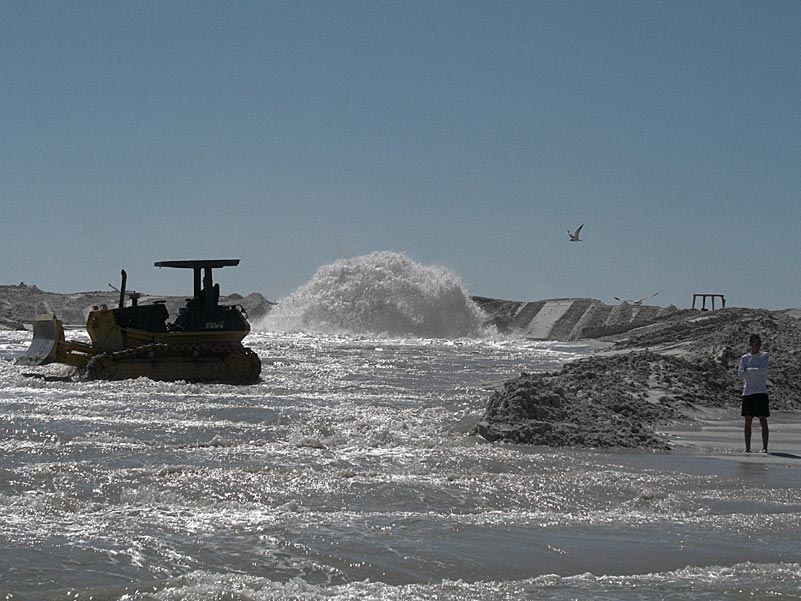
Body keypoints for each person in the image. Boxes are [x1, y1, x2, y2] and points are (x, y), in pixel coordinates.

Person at [737, 334, 769, 453]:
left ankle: (765, 447)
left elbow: (763, 371)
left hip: (760, 391)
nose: (756, 346)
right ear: (750, 344)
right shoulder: (745, 358)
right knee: (748, 420)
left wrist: (749, 370)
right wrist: (753, 371)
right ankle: (747, 448)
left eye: (758, 343)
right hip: (748, 391)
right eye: (754, 343)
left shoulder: (764, 356)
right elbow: (740, 374)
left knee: (762, 419)